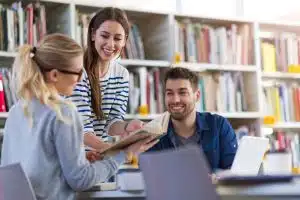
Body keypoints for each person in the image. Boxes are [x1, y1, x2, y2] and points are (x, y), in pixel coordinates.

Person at [0, 33, 157, 200]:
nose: (82, 78)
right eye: (77, 72)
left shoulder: (17, 110)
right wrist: (123, 155)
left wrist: (78, 158)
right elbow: (81, 180)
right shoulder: (63, 112)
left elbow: (35, 165)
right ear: (54, 75)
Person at [68, 7, 143, 151]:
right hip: (74, 159)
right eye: (105, 36)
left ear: (124, 41)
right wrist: (114, 151)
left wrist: (127, 126)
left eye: (117, 38)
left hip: (100, 158)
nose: (111, 44)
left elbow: (112, 123)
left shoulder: (121, 75)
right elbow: (82, 129)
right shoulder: (77, 71)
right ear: (93, 35)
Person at [147, 67, 238, 172]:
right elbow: (149, 177)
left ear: (197, 96)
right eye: (170, 93)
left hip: (212, 188)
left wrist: (212, 179)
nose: (175, 100)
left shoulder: (219, 125)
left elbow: (233, 172)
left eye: (182, 93)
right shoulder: (154, 134)